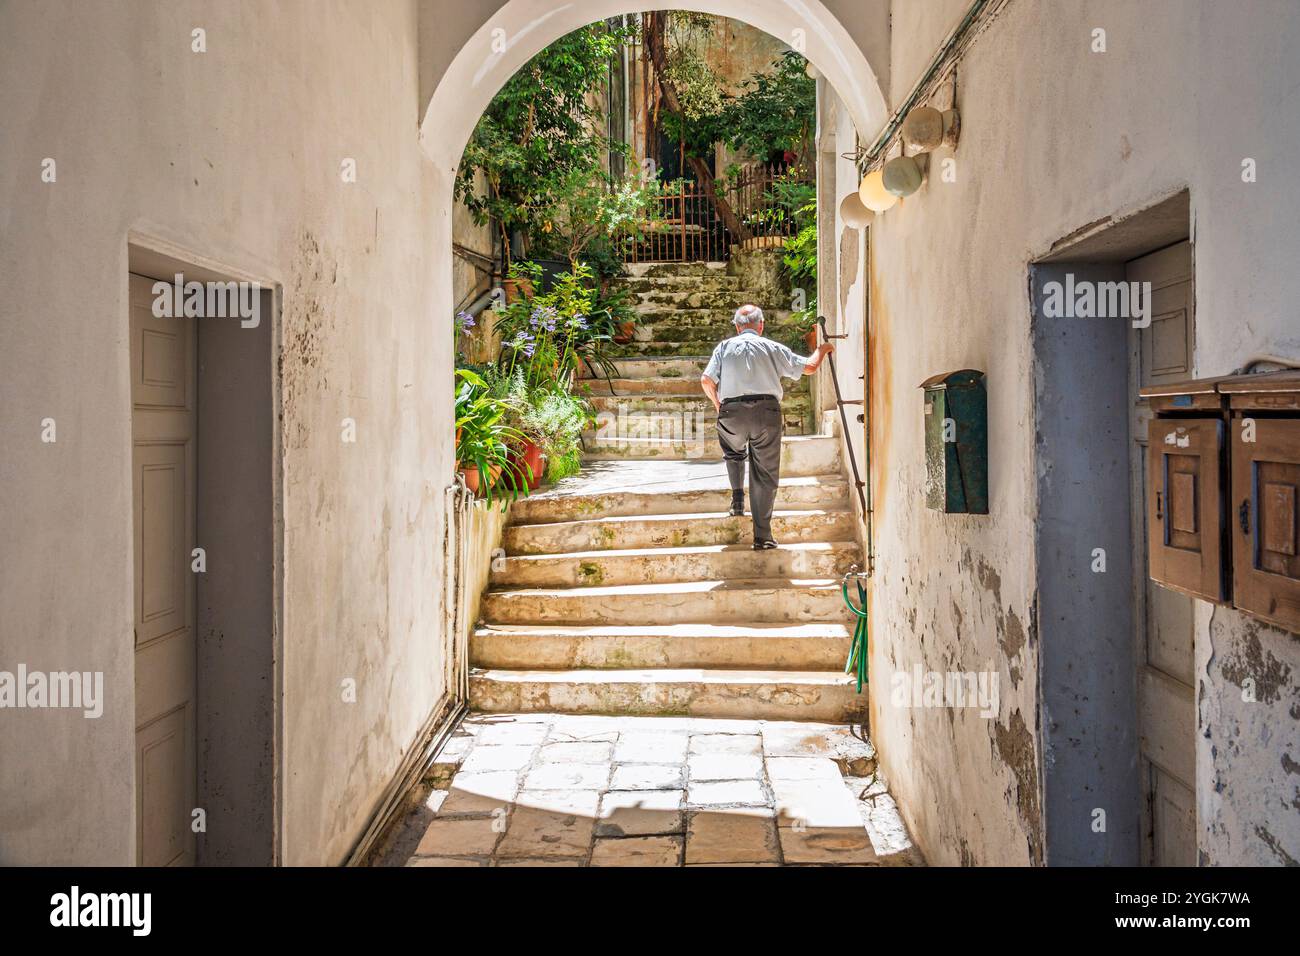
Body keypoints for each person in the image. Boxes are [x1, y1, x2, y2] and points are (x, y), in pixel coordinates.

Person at [700, 304, 834, 550]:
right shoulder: (772, 347)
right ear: (760, 326)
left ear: (738, 327)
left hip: (732, 411)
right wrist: (823, 348)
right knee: (765, 472)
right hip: (766, 413)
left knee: (733, 450)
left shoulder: (723, 348)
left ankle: (738, 500)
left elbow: (707, 380)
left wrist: (718, 405)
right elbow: (810, 367)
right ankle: (762, 536)